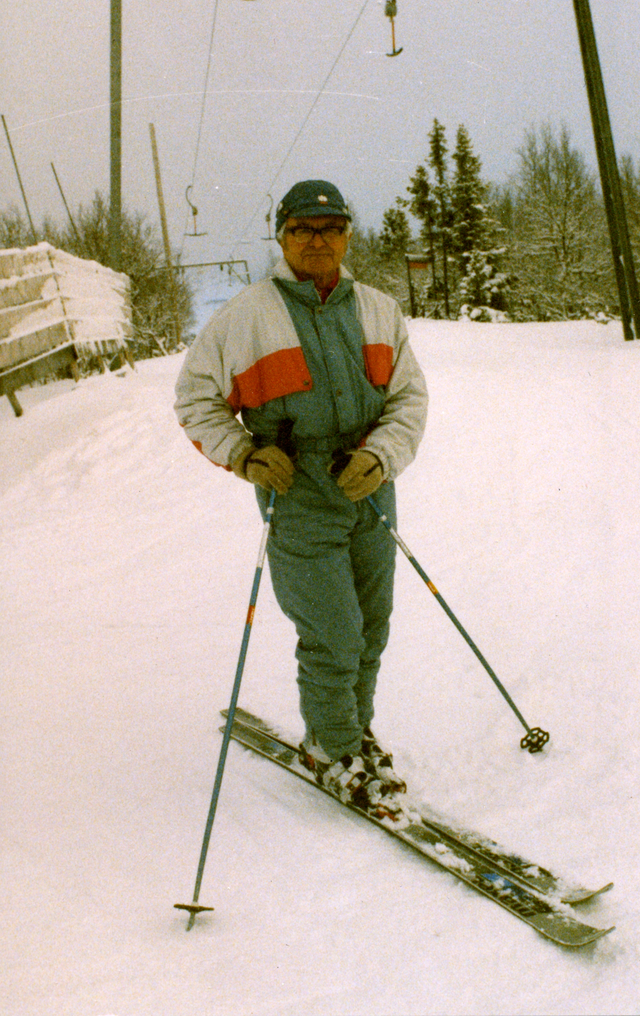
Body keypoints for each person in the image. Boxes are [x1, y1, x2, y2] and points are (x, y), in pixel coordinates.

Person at [174, 179, 428, 816]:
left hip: (368, 486)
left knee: (371, 626)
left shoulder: (377, 309)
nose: (318, 240)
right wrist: (245, 453)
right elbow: (194, 400)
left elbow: (408, 400)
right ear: (281, 235)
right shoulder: (244, 317)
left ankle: (352, 732)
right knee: (334, 632)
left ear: (347, 234)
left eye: (331, 228)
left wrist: (380, 455)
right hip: (298, 492)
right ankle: (332, 747)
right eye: (302, 229)